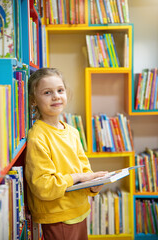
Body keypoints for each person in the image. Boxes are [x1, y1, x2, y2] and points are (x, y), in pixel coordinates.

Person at [25, 68, 108, 240]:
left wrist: (93, 184)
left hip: (80, 211)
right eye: (47, 92)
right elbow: (43, 186)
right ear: (33, 100)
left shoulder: (72, 131)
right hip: (58, 217)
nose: (56, 96)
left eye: (60, 90)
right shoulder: (37, 136)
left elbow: (84, 171)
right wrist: (79, 177)